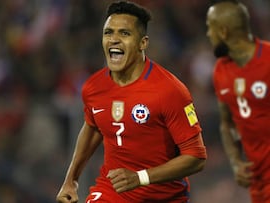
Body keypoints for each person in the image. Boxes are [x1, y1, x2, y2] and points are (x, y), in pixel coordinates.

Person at [56, 1, 207, 202]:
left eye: (124, 33)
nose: (114, 39)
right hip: (113, 192)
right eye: (108, 32)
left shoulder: (170, 90)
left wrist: (140, 177)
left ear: (142, 43)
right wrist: (71, 180)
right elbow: (93, 127)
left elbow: (196, 158)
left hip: (164, 197)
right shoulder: (93, 87)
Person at [206, 1, 270, 202]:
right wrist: (235, 162)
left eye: (210, 27)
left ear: (223, 31)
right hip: (257, 183)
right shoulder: (221, 71)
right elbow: (227, 123)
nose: (208, 34)